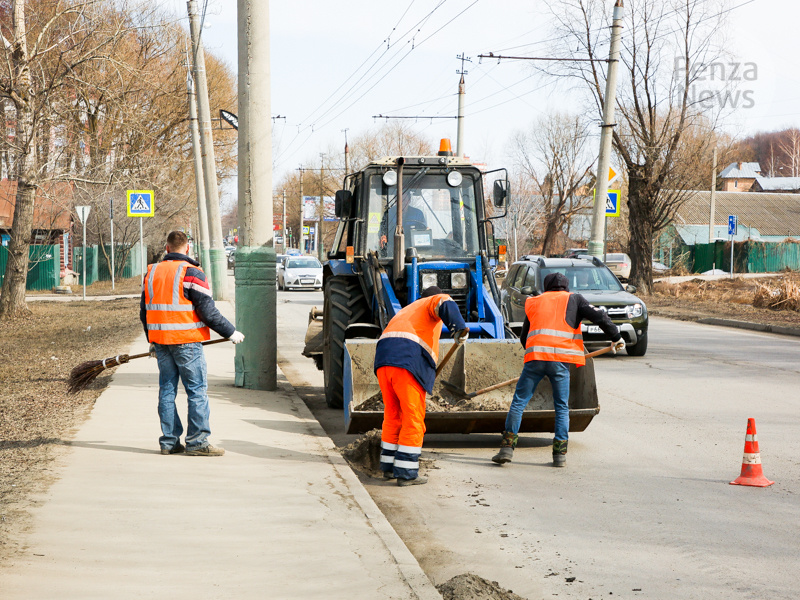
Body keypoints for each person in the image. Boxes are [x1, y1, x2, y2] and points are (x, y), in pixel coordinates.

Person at [492, 272, 624, 467]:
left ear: (546, 286)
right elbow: (600, 317)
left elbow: (524, 336)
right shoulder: (575, 299)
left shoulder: (534, 301)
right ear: (566, 286)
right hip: (561, 362)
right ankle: (559, 455)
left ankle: (507, 448)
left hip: (535, 358)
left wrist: (536, 354)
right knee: (561, 406)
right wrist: (615, 337)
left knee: (519, 402)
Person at [140, 231, 245, 456]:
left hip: (161, 342)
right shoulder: (192, 273)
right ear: (187, 248)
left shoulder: (152, 272)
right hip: (186, 342)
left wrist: (152, 340)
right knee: (196, 391)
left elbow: (144, 312)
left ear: (167, 249)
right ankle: (197, 443)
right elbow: (208, 311)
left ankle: (169, 442)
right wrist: (231, 332)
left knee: (167, 390)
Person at [374, 286, 468, 486]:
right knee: (413, 417)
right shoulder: (431, 302)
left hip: (383, 361)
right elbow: (444, 300)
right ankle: (406, 473)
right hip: (406, 362)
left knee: (392, 415)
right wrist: (459, 328)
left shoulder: (408, 309)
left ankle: (388, 467)